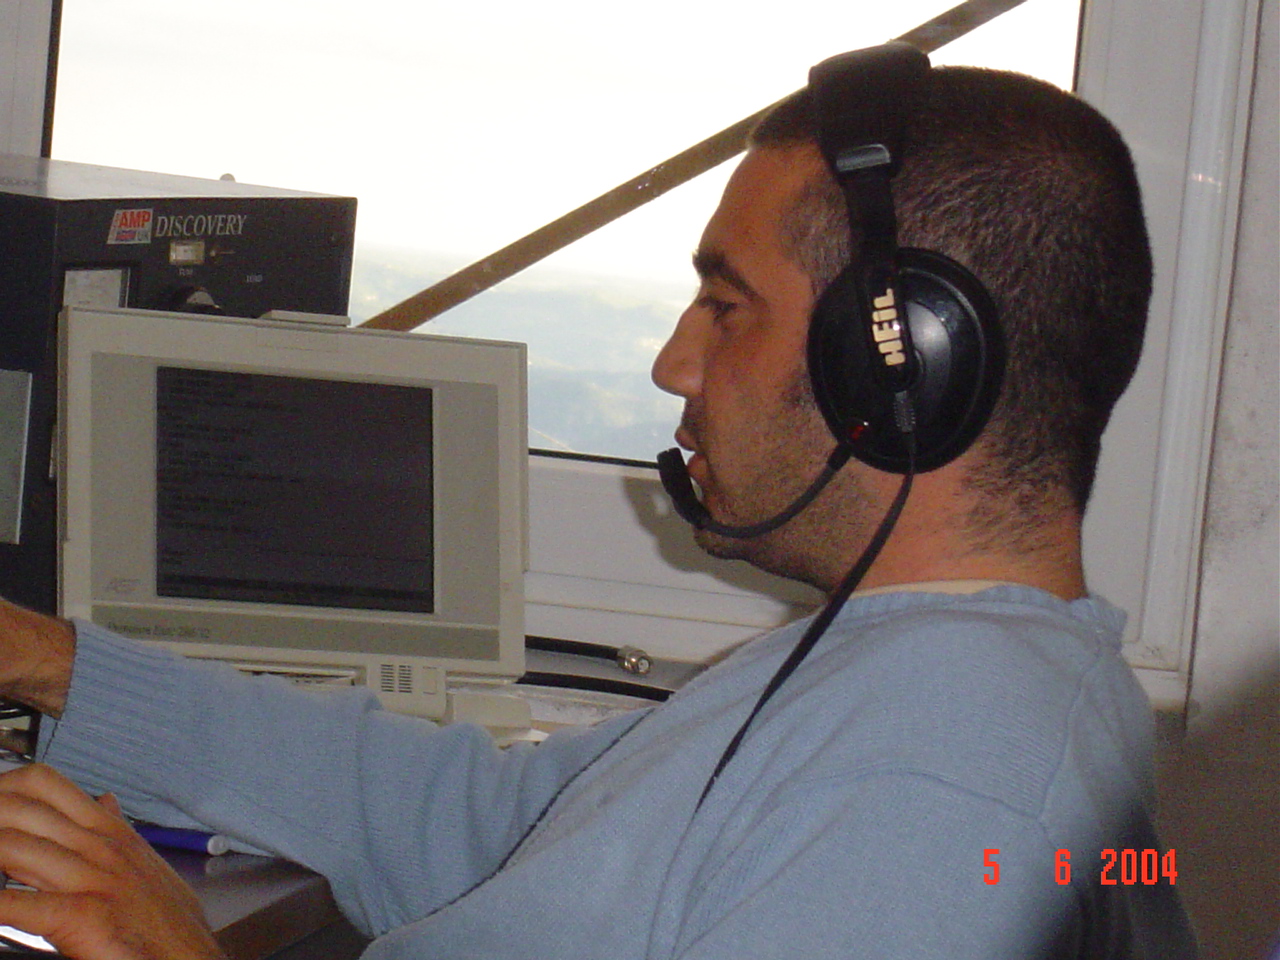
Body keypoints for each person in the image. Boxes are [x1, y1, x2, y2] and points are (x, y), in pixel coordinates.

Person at [0, 45, 1194, 959]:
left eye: (725, 306)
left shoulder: (937, 791)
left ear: (899, 360)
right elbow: (487, 824)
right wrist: (49, 662)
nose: (674, 364)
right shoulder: (907, 678)